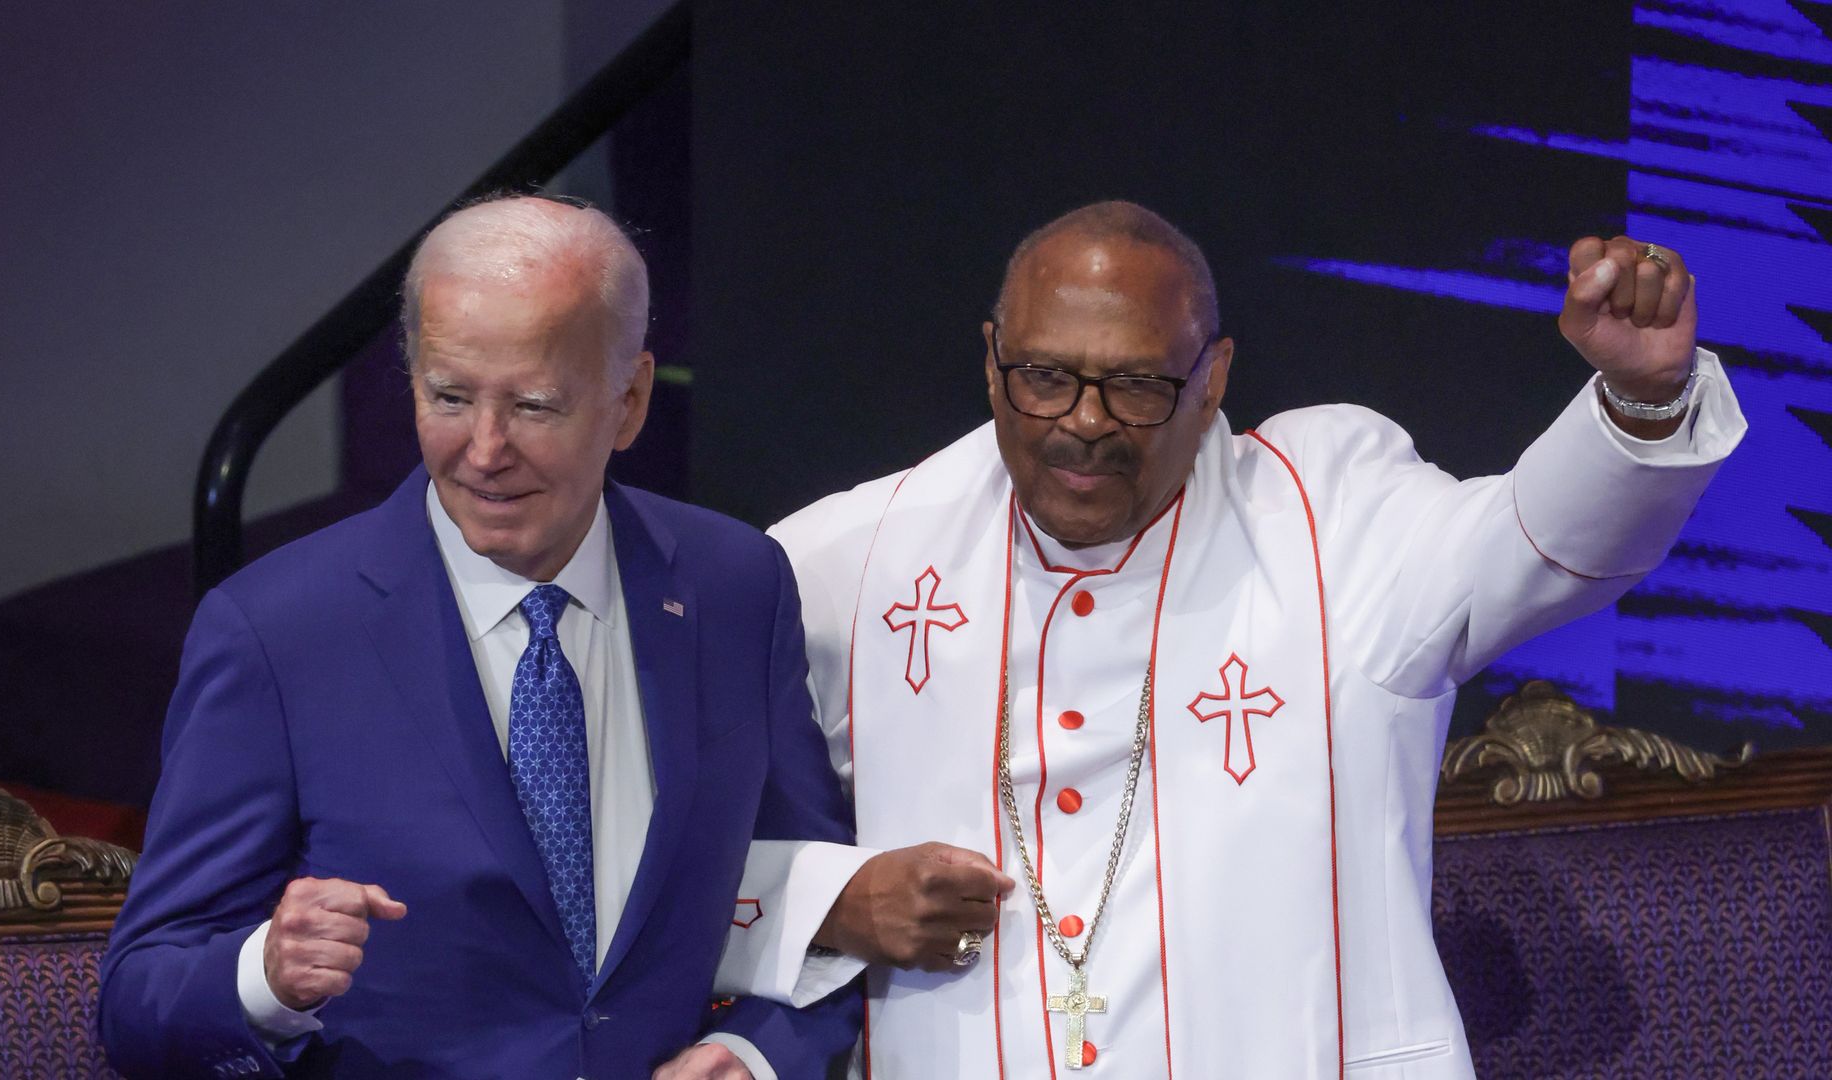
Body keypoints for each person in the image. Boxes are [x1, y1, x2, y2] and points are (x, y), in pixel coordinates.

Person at [739, 201, 1744, 1077]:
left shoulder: (1330, 514)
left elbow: (1538, 542)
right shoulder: (851, 561)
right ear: (992, 355)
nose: (1083, 424)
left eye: (1137, 387)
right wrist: (830, 902)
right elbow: (632, 859)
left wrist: (1642, 400)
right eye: (1045, 376)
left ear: (1213, 376)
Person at [98, 195, 866, 1079]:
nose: (485, 449)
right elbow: (137, 998)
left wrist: (754, 1055)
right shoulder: (278, 631)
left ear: (631, 400)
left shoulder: (734, 584)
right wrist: (264, 978)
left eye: (535, 405)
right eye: (449, 396)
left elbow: (822, 903)